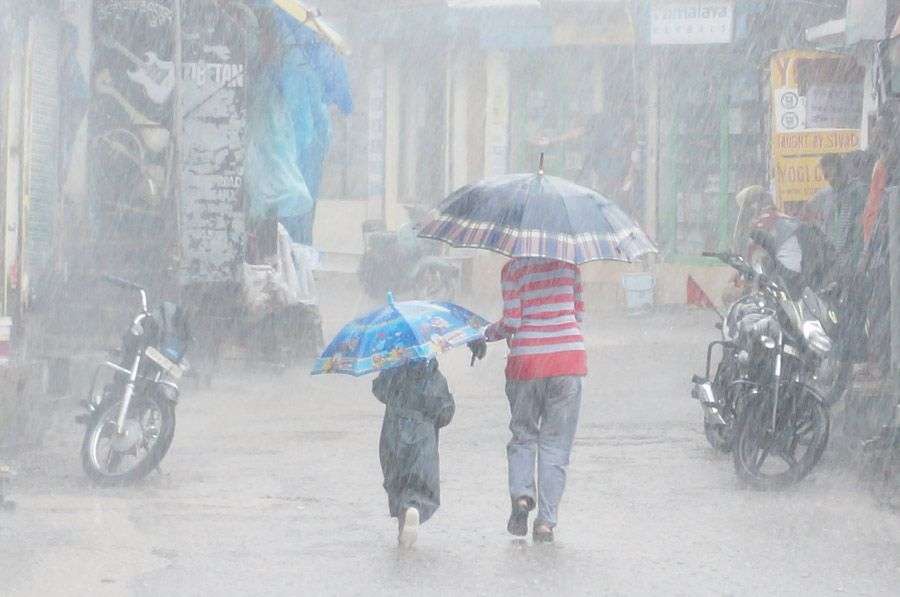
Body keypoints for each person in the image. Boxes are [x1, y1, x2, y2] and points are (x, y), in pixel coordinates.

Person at [481, 257, 586, 543]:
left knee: (523, 436)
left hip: (526, 362)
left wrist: (486, 333)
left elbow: (512, 321)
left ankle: (522, 498)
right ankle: (546, 523)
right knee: (556, 445)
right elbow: (578, 315)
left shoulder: (514, 268)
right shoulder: (571, 267)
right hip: (568, 360)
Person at [372, 358, 455, 548]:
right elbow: (445, 414)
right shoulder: (435, 377)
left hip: (393, 434)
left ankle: (404, 526)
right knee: (419, 485)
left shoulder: (394, 370)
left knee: (397, 482)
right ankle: (413, 508)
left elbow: (379, 390)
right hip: (423, 439)